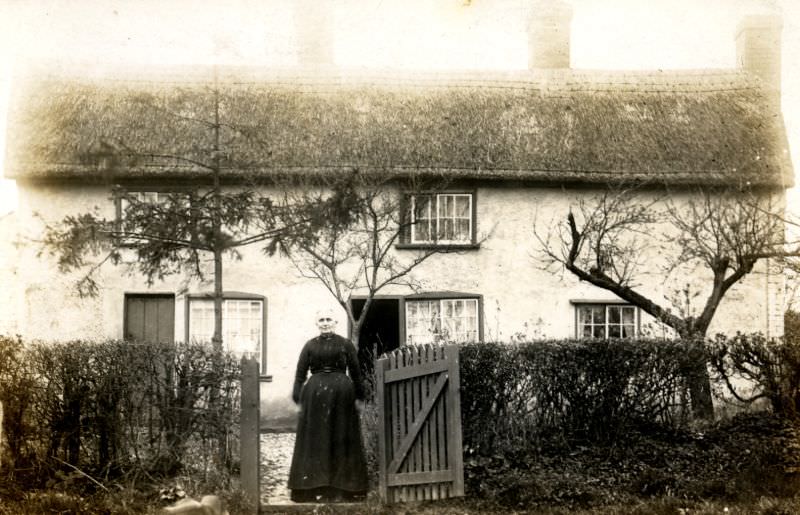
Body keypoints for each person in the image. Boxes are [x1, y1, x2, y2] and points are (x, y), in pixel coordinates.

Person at [288, 308, 368, 503]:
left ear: (335, 323)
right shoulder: (309, 346)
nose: (325, 323)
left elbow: (356, 372)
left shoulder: (345, 344)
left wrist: (360, 397)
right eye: (321, 320)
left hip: (342, 395)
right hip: (314, 396)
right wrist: (298, 398)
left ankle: (343, 488)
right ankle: (311, 487)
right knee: (315, 441)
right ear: (317, 323)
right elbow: (300, 374)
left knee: (341, 438)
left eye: (328, 319)